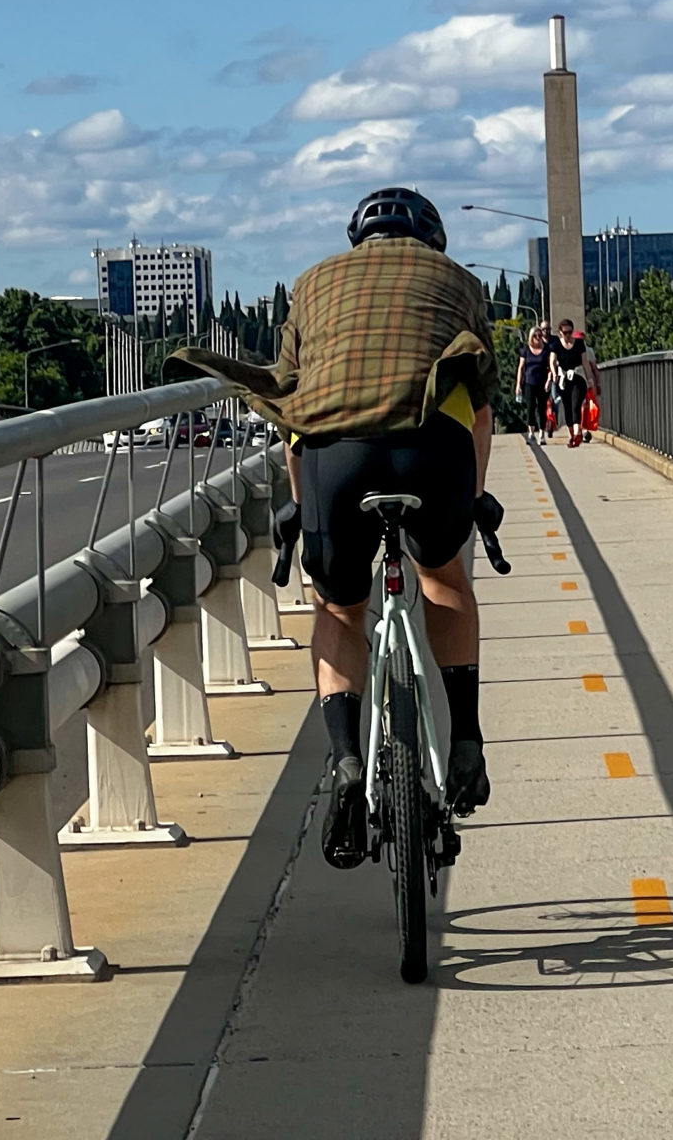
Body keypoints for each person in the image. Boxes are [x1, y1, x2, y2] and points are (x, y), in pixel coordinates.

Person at [170, 185, 499, 870]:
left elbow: (294, 407)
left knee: (341, 609)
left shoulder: (313, 284)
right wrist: (472, 496)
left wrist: (302, 504)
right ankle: (465, 736)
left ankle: (348, 760)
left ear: (358, 240)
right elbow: (481, 404)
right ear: (431, 241)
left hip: (334, 461)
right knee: (443, 578)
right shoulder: (460, 284)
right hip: (432, 448)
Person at [545, 317, 596, 447]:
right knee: (567, 407)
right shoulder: (555, 345)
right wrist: (555, 374)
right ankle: (572, 435)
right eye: (565, 333)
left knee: (575, 404)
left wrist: (590, 379)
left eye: (570, 332)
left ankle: (578, 433)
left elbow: (585, 362)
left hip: (578, 377)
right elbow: (552, 361)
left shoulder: (579, 344)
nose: (568, 335)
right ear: (560, 333)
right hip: (564, 379)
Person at [516, 322, 552, 445]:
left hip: (542, 382)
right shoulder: (525, 350)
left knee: (542, 408)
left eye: (539, 335)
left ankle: (542, 434)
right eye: (535, 335)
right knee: (531, 407)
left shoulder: (546, 349)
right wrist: (518, 385)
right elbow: (521, 368)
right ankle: (531, 432)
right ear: (531, 337)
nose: (537, 337)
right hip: (529, 382)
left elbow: (551, 366)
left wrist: (549, 380)